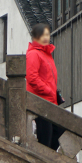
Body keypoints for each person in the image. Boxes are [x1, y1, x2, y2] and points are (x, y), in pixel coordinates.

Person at [25, 22, 64, 150]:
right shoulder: (34, 54)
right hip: (40, 101)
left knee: (59, 130)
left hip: (50, 100)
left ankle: (47, 157)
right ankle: (43, 159)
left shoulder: (46, 54)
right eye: (42, 35)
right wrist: (47, 90)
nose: (46, 37)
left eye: (47, 34)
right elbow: (32, 77)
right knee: (46, 136)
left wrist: (54, 93)